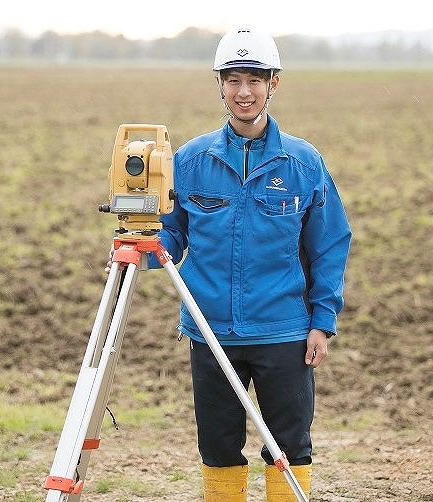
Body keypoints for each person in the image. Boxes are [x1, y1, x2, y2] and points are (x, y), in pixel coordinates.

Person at [141, 27, 351, 501]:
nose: (244, 92)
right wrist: (149, 251)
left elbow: (329, 245)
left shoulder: (303, 163)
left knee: (290, 445)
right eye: (233, 80)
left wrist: (323, 322)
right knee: (217, 448)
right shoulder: (191, 160)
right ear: (219, 83)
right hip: (210, 332)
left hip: (284, 332)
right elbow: (173, 233)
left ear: (273, 83)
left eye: (254, 80)